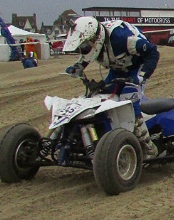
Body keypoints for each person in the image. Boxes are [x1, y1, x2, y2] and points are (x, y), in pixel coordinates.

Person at [64, 16, 160, 156]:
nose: (84, 49)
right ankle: (104, 135)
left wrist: (141, 76)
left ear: (95, 39)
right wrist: (77, 67)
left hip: (136, 68)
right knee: (100, 98)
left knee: (129, 101)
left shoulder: (122, 39)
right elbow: (88, 55)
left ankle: (149, 148)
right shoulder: (94, 41)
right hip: (117, 70)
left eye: (84, 46)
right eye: (82, 47)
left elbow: (153, 52)